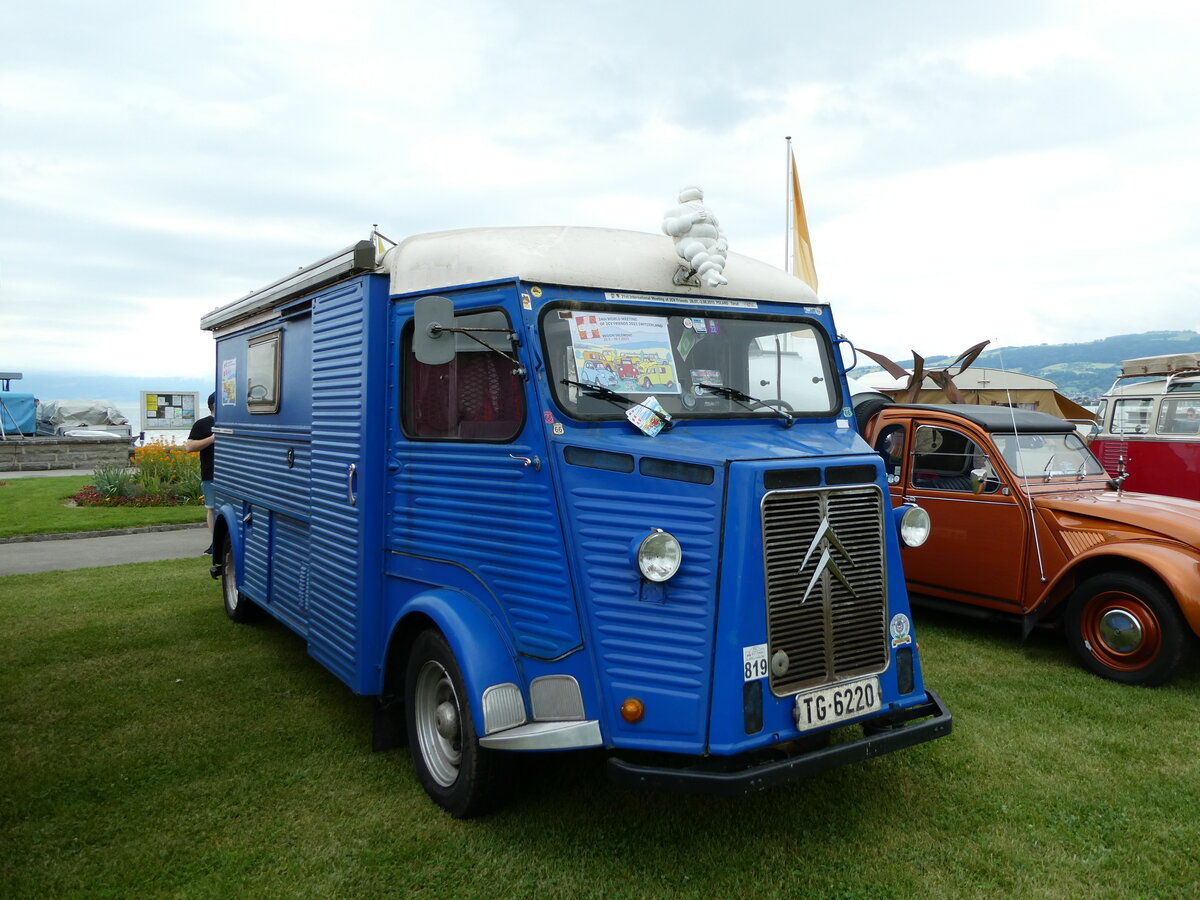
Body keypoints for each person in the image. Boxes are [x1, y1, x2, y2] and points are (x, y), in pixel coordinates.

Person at [185, 393, 216, 554]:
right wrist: (212, 438)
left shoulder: (233, 423)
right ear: (214, 405)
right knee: (212, 508)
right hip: (211, 473)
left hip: (233, 474)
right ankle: (215, 542)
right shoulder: (202, 424)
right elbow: (189, 447)